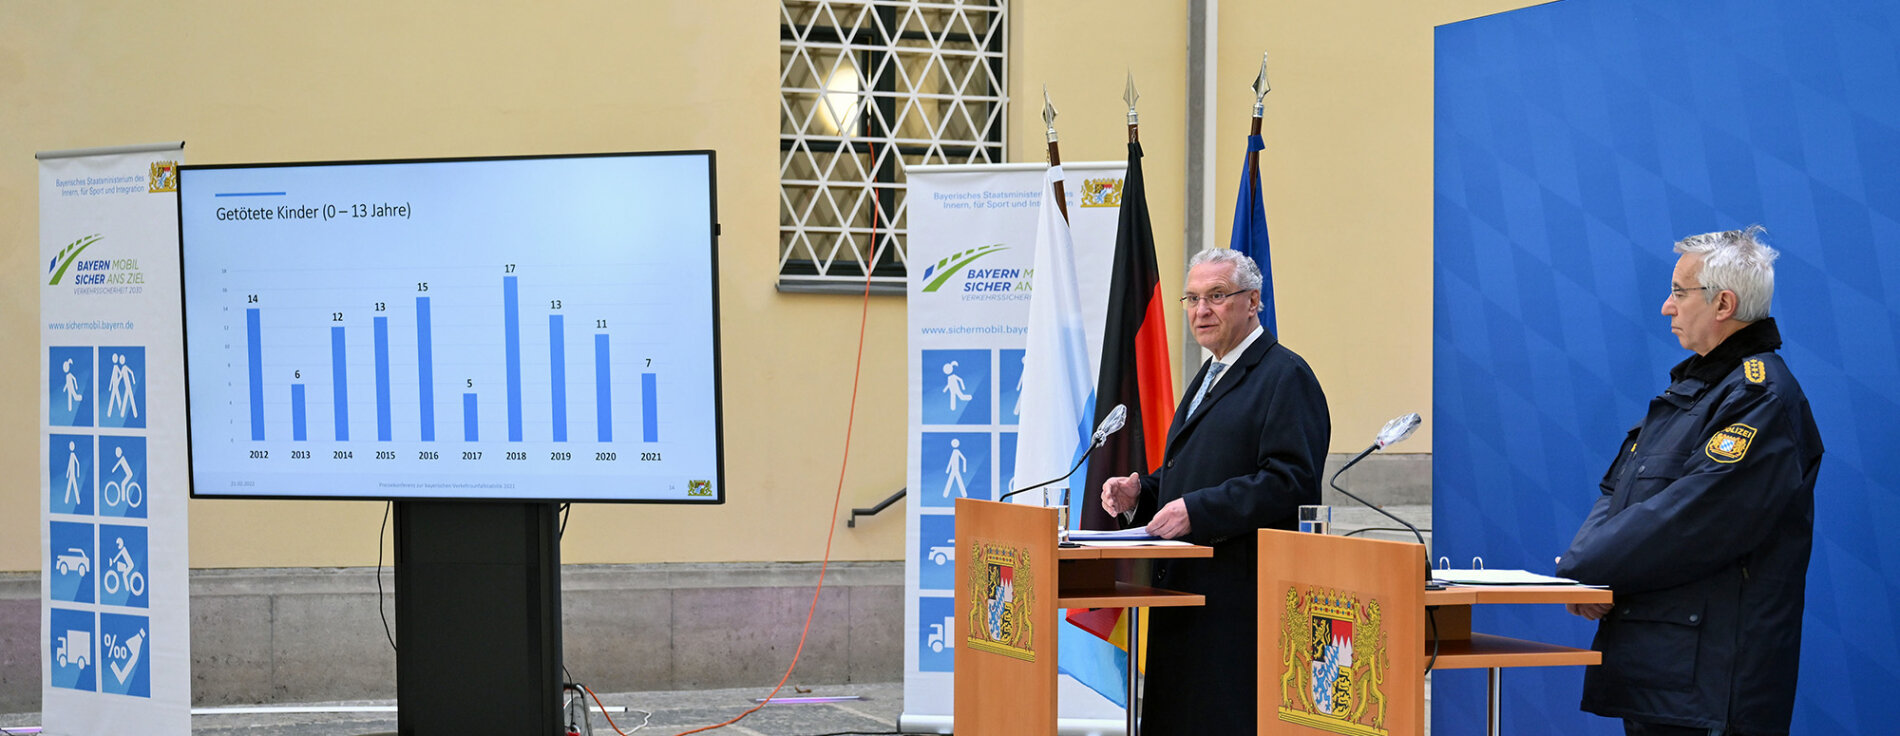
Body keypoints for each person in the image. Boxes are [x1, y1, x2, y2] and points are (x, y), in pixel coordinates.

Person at [1557, 226, 1823, 736]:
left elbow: (1691, 517)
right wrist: (1587, 570)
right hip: (1665, 671)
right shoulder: (1696, 391)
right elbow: (1619, 493)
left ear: (1723, 303)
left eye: (1679, 293)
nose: (1666, 307)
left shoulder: (1759, 398)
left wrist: (1586, 568)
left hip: (1712, 683)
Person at [1100, 248, 1331, 735]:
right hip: (1185, 595)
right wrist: (1141, 491)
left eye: (1217, 296)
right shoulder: (1210, 372)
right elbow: (1195, 474)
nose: (1201, 310)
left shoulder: (1284, 376)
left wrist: (1197, 511)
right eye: (1193, 298)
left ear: (1253, 302)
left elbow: (1291, 481)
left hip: (1238, 604)